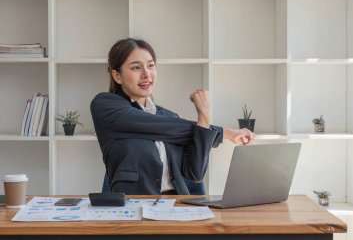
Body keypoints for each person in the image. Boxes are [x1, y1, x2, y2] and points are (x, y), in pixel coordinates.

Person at [91, 38, 255, 195]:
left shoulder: (170, 117)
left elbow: (194, 174)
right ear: (117, 76)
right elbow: (157, 126)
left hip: (177, 205)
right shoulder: (105, 106)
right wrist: (225, 133)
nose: (146, 74)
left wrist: (204, 118)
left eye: (151, 66)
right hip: (135, 206)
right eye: (136, 67)